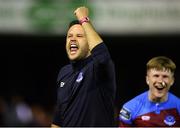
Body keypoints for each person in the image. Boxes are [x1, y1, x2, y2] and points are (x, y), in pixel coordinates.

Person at [51, 6, 116, 127]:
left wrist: (83, 19)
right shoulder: (64, 72)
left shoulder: (98, 68)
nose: (73, 40)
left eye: (79, 36)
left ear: (89, 42)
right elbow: (58, 119)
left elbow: (102, 57)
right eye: (69, 36)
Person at [119, 56, 180, 127]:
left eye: (165, 76)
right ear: (147, 80)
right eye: (156, 76)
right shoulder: (129, 108)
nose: (160, 81)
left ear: (172, 81)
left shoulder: (178, 106)